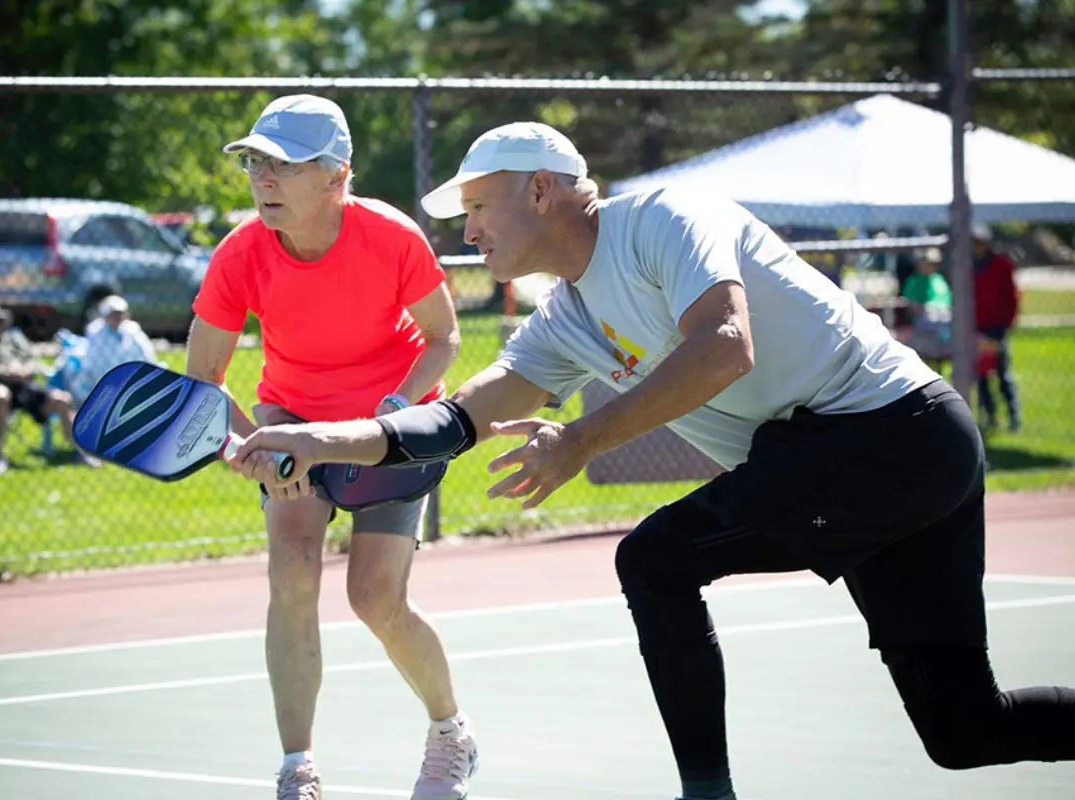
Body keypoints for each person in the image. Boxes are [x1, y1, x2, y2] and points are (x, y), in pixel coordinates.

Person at [228, 122, 1075, 800]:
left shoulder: (667, 218)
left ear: (541, 190)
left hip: (898, 434)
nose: (469, 231)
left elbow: (724, 348)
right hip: (855, 464)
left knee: (655, 559)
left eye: (478, 208)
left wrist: (582, 440)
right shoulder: (561, 322)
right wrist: (323, 437)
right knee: (966, 734)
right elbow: (453, 419)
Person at [185, 94, 473, 800]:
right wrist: (252, 447)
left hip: (387, 424)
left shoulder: (391, 236)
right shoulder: (240, 253)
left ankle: (450, 735)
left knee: (373, 597)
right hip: (290, 416)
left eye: (282, 165)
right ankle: (297, 769)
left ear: (336, 175)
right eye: (255, 162)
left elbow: (444, 339)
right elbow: (202, 380)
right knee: (291, 565)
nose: (262, 179)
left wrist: (395, 414)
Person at [0, 298, 94, 475]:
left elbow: (33, 361)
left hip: (24, 387)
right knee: (0, 395)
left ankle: (80, 452)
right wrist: (2, 371)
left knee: (62, 399)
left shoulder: (13, 339)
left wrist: (22, 370)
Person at [972, 223, 1022, 431]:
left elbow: (1012, 296)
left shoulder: (1001, 264)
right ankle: (989, 415)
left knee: (1001, 371)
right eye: (974, 243)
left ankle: (1013, 415)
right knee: (982, 373)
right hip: (976, 326)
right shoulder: (966, 266)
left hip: (996, 327)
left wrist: (1007, 322)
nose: (977, 246)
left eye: (980, 242)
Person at [69, 295, 157, 406]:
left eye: (120, 313)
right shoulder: (96, 333)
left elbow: (145, 355)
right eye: (114, 314)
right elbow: (94, 363)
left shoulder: (133, 331)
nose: (118, 317)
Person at [899, 246, 953, 367]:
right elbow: (911, 304)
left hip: (942, 319)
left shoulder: (939, 280)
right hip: (923, 321)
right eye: (926, 263)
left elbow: (947, 303)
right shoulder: (913, 281)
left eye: (932, 263)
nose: (929, 266)